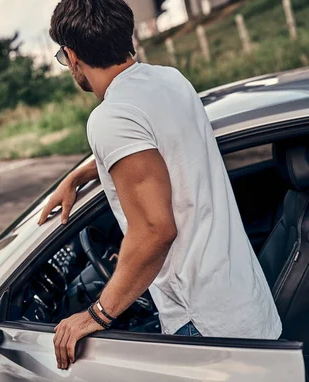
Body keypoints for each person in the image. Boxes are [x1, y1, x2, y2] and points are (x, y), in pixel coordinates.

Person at [38, 0, 281, 370]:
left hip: (203, 327)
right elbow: (156, 141)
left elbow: (155, 230)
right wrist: (80, 174)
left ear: (71, 56)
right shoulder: (170, 80)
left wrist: (96, 314)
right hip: (247, 306)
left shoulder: (109, 117)